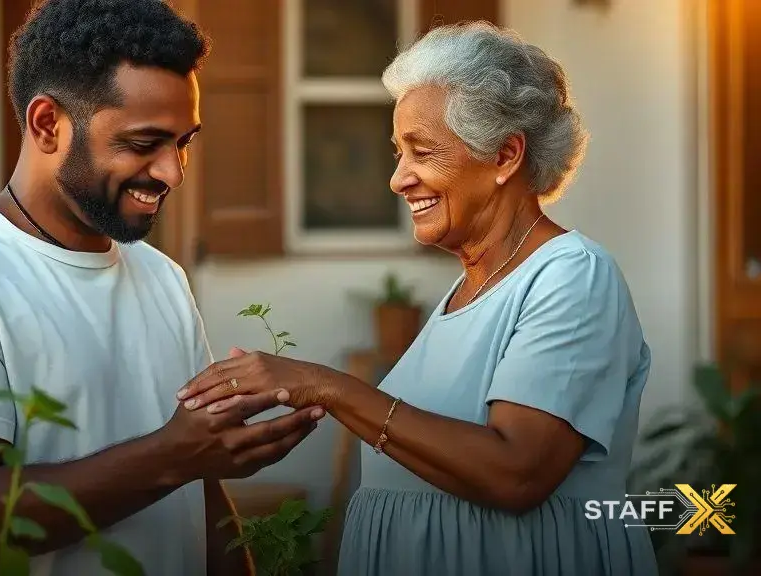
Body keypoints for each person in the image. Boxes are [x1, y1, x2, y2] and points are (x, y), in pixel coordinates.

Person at [177, 21, 658, 576]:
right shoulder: (472, 285)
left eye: (422, 152)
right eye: (397, 152)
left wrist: (327, 386)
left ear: (505, 156)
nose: (398, 179)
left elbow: (516, 472)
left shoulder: (572, 276)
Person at [0, 1, 325, 575]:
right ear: (47, 125)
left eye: (183, 142)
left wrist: (196, 457)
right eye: (144, 144)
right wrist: (174, 454)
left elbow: (202, 489)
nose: (173, 172)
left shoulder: (162, 278)